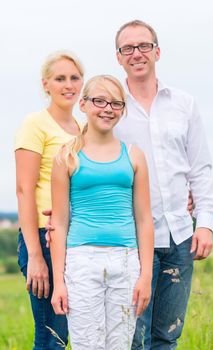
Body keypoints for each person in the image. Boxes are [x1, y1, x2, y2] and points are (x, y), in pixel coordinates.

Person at [113, 20, 213, 349]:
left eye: (143, 46)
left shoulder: (183, 104)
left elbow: (200, 167)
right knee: (133, 337)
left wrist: (206, 224)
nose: (137, 54)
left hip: (179, 238)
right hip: (130, 239)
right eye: (127, 48)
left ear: (157, 51)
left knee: (167, 337)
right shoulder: (111, 107)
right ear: (119, 58)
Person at [49, 75, 154, 350]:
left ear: (122, 109)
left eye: (116, 103)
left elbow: (144, 220)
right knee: (87, 344)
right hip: (82, 261)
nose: (108, 108)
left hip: (126, 260)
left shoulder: (133, 155)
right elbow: (59, 222)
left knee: (120, 344)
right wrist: (58, 282)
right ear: (83, 105)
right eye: (99, 101)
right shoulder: (67, 156)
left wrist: (145, 276)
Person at [14, 50, 84, 349]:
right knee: (50, 338)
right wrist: (35, 256)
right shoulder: (35, 124)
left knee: (68, 336)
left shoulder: (82, 128)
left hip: (73, 238)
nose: (68, 85)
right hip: (42, 238)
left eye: (74, 78)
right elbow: (24, 190)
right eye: (60, 79)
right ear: (46, 85)